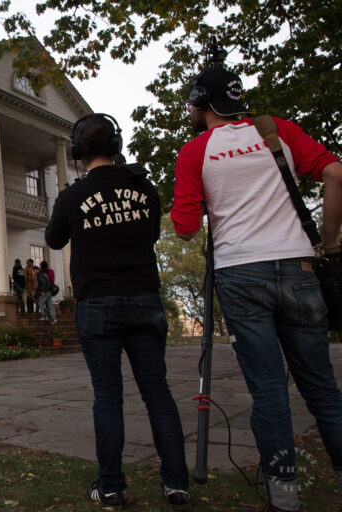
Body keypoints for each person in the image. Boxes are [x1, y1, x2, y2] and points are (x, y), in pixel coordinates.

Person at [172, 59, 342, 511]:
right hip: (298, 267)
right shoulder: (277, 131)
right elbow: (335, 172)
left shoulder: (194, 153)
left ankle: (284, 494)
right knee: (321, 386)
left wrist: (201, 202)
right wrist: (328, 243)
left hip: (241, 273)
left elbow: (185, 228)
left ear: (200, 103)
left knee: (268, 389)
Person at [46, 113, 189, 510]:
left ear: (78, 152)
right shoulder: (144, 188)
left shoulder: (73, 196)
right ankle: (176, 484)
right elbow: (152, 234)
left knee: (108, 397)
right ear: (117, 145)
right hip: (144, 300)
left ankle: (110, 487)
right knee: (157, 393)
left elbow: (54, 239)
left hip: (98, 306)